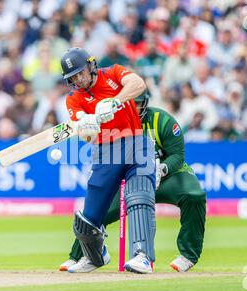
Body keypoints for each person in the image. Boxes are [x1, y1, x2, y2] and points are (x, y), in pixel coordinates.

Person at [60, 91, 206, 273]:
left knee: (194, 196)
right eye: (128, 104)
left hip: (167, 177)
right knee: (98, 209)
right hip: (133, 179)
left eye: (136, 104)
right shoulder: (114, 125)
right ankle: (81, 255)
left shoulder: (162, 121)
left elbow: (178, 155)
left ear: (144, 103)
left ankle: (188, 256)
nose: (133, 109)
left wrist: (162, 169)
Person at [60, 47, 156, 274]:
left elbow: (138, 84)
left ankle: (142, 257)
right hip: (104, 150)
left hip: (135, 142)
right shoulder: (74, 99)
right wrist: (88, 123)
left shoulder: (112, 72)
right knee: (88, 218)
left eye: (80, 72)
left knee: (139, 197)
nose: (78, 79)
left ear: (90, 66)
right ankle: (94, 256)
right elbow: (86, 137)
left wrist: (115, 101)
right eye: (72, 77)